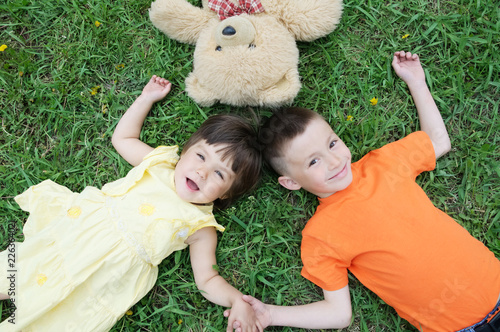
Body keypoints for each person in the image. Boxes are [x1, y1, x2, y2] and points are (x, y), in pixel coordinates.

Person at [231, 51, 500, 331]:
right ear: (291, 182)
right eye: (313, 161)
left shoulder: (383, 164)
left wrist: (416, 82)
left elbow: (438, 142)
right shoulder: (320, 236)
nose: (334, 161)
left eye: (332, 144)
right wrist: (272, 315)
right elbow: (338, 314)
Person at [0, 75, 264, 332]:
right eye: (200, 156)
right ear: (185, 151)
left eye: (219, 174)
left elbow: (207, 278)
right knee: (17, 270)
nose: (202, 172)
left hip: (101, 276)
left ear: (226, 194)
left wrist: (236, 300)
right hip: (76, 234)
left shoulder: (201, 227)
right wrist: (145, 98)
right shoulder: (160, 163)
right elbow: (123, 139)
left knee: (49, 317)